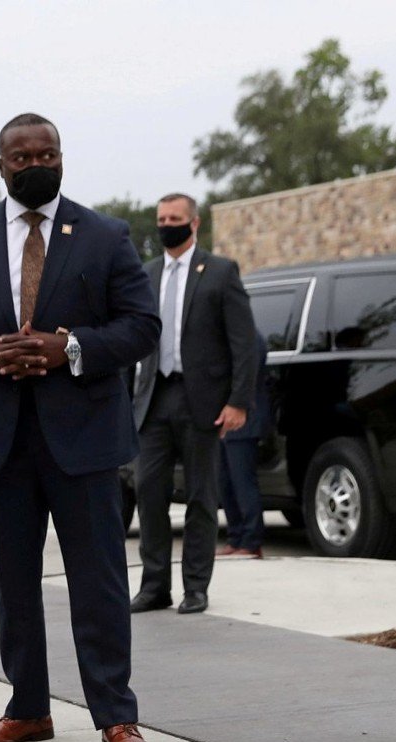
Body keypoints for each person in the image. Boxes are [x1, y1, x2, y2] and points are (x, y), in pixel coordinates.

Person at [0, 113, 160, 742]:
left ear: (63, 157)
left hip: (84, 441)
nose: (36, 163)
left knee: (100, 581)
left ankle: (116, 716)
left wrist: (72, 348)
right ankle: (27, 710)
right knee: (15, 583)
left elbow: (142, 325)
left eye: (47, 153)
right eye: (22, 156)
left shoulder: (106, 235)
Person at [129, 194, 259, 614]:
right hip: (154, 398)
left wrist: (239, 400)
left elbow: (245, 343)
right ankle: (154, 586)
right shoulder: (145, 274)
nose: (167, 224)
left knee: (202, 496)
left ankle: (196, 587)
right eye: (162, 218)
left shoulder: (220, 272)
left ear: (195, 223)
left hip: (202, 400)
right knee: (149, 492)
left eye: (175, 218)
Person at [219, 332, 271, 559]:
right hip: (222, 423)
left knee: (243, 482)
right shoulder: (225, 339)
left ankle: (251, 541)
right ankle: (235, 536)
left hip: (244, 421)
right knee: (224, 482)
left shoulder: (250, 339)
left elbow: (247, 376)